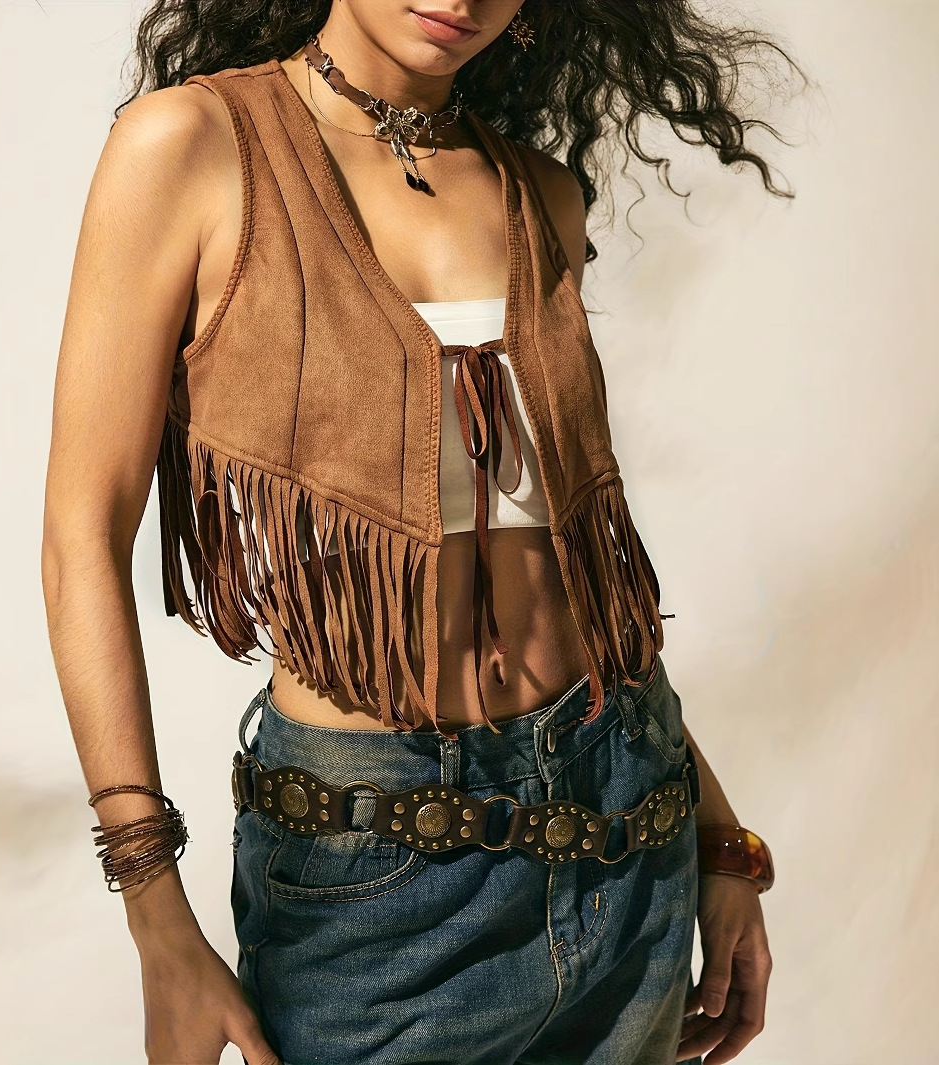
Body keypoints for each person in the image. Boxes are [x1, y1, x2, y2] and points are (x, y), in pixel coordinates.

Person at [42, 3, 797, 1063]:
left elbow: (578, 579)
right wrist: (155, 917)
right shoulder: (194, 146)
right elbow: (81, 535)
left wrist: (719, 837)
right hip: (376, 872)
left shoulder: (540, 193)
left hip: (628, 835)